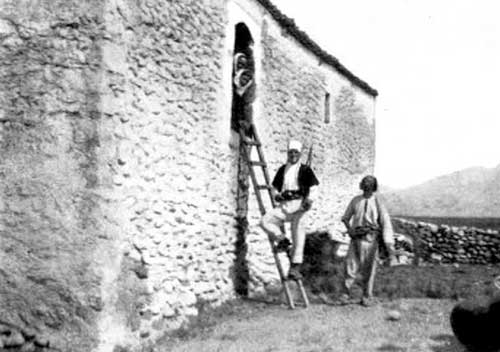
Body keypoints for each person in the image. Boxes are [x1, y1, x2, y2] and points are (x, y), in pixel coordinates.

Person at [260, 140, 319, 280]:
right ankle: (282, 239)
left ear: (299, 154)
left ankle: (295, 268)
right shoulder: (283, 169)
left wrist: (309, 201)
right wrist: (277, 195)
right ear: (288, 154)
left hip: (299, 205)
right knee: (265, 221)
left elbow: (314, 187)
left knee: (298, 236)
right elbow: (274, 187)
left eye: (296, 153)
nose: (293, 155)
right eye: (291, 152)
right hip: (286, 205)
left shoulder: (305, 170)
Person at [340, 175, 395, 306]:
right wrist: (350, 229)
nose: (367, 185)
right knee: (350, 266)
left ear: (374, 186)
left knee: (369, 269)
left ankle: (367, 296)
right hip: (356, 239)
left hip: (371, 239)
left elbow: (385, 223)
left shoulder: (378, 202)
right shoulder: (355, 200)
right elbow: (345, 218)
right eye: (365, 182)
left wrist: (389, 245)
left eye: (370, 183)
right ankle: (345, 294)